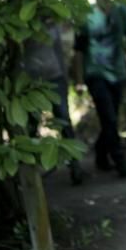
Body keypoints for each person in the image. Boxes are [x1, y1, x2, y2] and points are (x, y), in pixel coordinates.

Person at [73, 0, 126, 178]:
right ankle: (120, 160)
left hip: (118, 72)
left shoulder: (121, 10)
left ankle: (101, 155)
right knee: (109, 117)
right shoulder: (85, 14)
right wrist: (78, 81)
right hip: (95, 73)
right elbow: (78, 51)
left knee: (110, 118)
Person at [22, 18, 85, 186]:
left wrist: (65, 77)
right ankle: (33, 173)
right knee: (31, 125)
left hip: (55, 78)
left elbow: (60, 52)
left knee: (64, 120)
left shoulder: (53, 25)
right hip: (31, 82)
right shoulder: (23, 24)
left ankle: (75, 165)